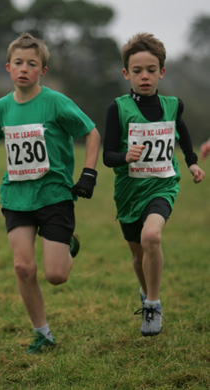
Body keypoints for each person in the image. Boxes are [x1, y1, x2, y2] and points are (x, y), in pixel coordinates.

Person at [0, 32, 100, 353]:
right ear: (8, 68)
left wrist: (89, 173)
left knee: (56, 276)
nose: (24, 68)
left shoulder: (56, 102)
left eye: (32, 63)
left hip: (54, 194)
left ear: (43, 70)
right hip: (16, 196)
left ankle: (68, 244)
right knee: (23, 267)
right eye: (18, 63)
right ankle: (43, 334)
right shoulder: (0, 108)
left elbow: (91, 132)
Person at [103, 33, 205, 337]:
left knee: (152, 237)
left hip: (162, 185)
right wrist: (125, 156)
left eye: (151, 70)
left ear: (162, 71)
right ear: (126, 74)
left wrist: (192, 162)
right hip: (129, 192)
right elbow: (108, 156)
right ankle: (146, 293)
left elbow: (182, 134)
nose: (144, 76)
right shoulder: (117, 109)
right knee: (137, 255)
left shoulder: (174, 105)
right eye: (137, 71)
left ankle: (153, 304)